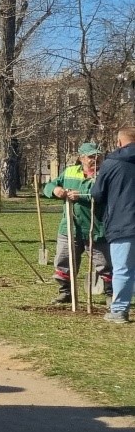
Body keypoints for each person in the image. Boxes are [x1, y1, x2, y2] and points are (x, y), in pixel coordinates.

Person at [42, 142, 110, 306]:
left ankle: (111, 294)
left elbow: (106, 195)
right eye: (91, 157)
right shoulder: (70, 172)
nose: (95, 160)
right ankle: (66, 292)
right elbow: (50, 185)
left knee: (104, 264)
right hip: (69, 227)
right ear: (81, 158)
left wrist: (83, 196)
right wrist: (54, 190)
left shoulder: (105, 175)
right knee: (64, 262)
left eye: (98, 156)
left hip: (96, 228)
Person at [92, 126, 135, 323]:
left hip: (122, 221)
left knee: (122, 268)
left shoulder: (112, 162)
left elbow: (97, 193)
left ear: (119, 142)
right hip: (124, 220)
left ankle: (119, 310)